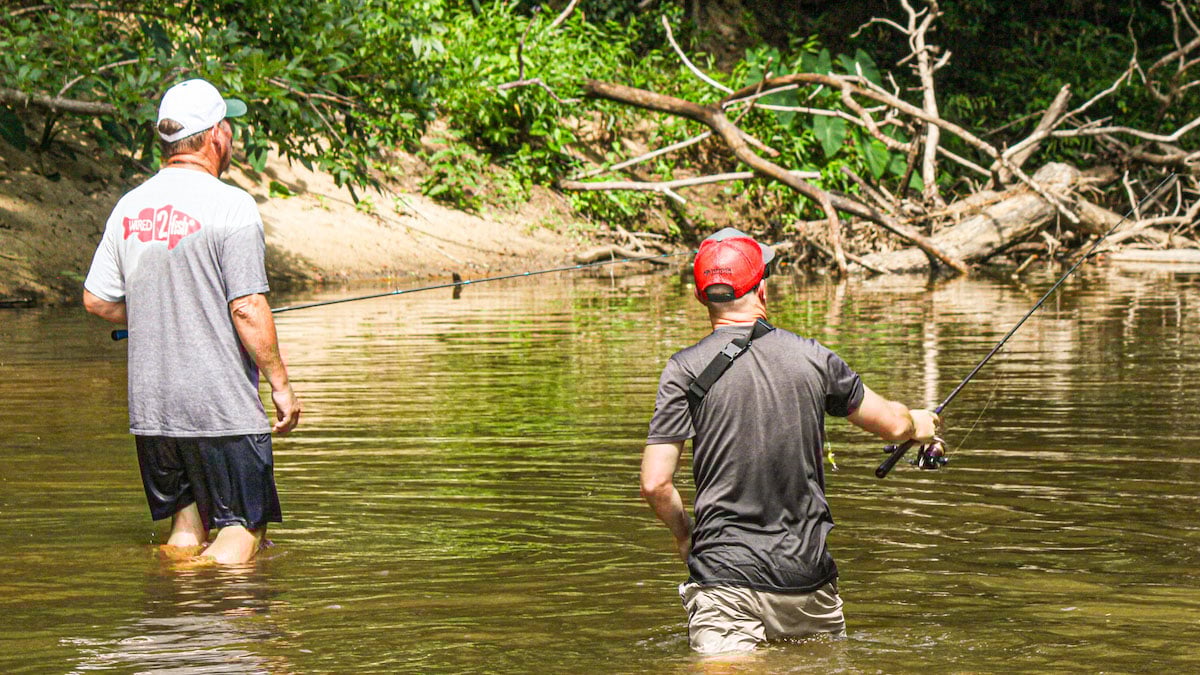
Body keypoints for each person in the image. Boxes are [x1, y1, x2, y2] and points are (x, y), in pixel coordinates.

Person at [640, 227, 941, 654]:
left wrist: (684, 533)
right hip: (807, 580)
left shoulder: (683, 370)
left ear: (700, 297)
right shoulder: (814, 358)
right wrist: (918, 423)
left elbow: (655, 485)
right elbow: (892, 425)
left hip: (724, 580)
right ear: (762, 289)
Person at [83, 78, 301, 565]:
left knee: (187, 530)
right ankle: (224, 629)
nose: (231, 136)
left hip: (153, 410)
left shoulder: (129, 207)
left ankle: (176, 615)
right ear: (214, 136)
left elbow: (97, 300)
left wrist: (163, 309)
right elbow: (247, 307)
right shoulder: (231, 205)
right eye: (228, 126)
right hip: (219, 406)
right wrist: (281, 386)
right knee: (242, 533)